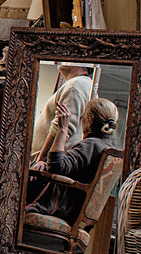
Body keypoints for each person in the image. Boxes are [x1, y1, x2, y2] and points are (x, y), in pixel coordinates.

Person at [25, 98, 120, 226]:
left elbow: (56, 167)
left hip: (58, 207)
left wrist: (63, 129)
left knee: (23, 176)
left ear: (89, 119)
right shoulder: (106, 148)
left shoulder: (90, 145)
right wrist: (44, 163)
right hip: (73, 210)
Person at [30, 64, 93, 165]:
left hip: (43, 166)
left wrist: (41, 160)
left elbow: (62, 127)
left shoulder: (76, 85)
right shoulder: (77, 84)